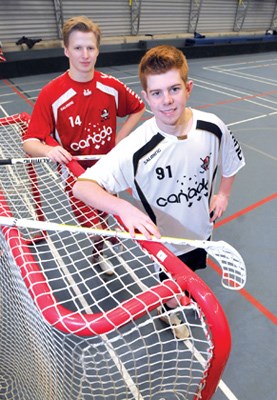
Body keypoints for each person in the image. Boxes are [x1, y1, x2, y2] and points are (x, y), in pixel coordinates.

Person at [72, 44, 246, 338]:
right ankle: (169, 312)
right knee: (173, 285)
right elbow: (82, 186)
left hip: (202, 232)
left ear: (188, 88)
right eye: (156, 93)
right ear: (146, 97)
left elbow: (231, 161)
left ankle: (177, 300)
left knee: (190, 278)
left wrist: (224, 194)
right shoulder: (136, 147)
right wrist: (123, 208)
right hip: (168, 245)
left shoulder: (213, 127)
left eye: (174, 89)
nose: (166, 101)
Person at [22, 15, 145, 275]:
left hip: (109, 169)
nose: (85, 54)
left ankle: (99, 249)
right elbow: (30, 142)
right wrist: (49, 149)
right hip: (77, 176)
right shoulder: (52, 93)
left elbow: (138, 107)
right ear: (67, 50)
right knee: (94, 225)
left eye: (90, 47)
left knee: (103, 216)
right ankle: (100, 243)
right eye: (78, 48)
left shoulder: (111, 86)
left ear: (98, 50)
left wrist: (119, 138)